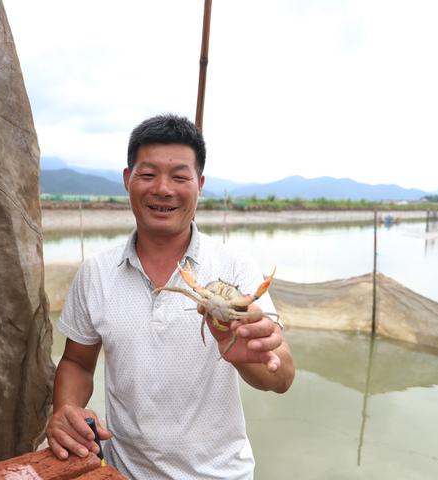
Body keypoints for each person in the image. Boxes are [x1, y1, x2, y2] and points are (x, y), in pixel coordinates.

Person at [47, 114, 295, 479]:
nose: (163, 189)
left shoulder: (236, 268)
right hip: (122, 470)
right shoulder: (96, 272)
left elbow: (282, 376)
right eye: (147, 175)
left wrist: (248, 358)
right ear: (127, 179)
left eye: (180, 177)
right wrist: (65, 409)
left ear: (200, 185)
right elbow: (78, 363)